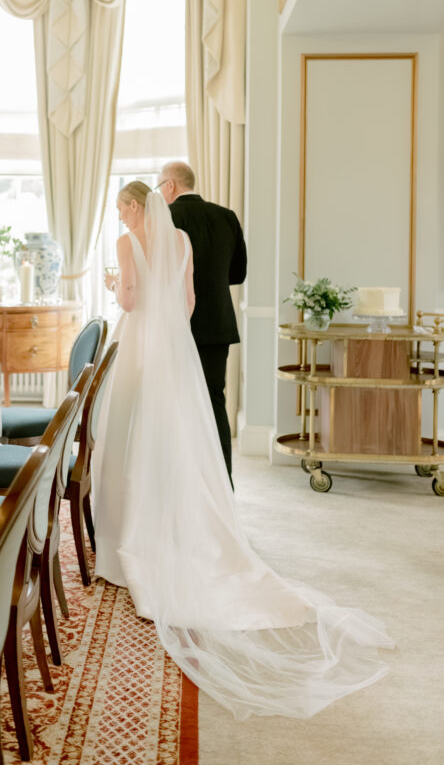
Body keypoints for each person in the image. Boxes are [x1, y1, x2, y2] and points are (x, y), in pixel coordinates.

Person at [93, 181, 392, 720]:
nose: (119, 215)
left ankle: (129, 537)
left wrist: (121, 287)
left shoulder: (125, 244)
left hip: (143, 345)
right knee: (189, 430)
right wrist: (167, 325)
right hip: (180, 345)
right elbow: (188, 303)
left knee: (131, 433)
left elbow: (129, 301)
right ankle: (194, 518)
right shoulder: (183, 239)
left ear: (138, 206)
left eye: (121, 207)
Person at [156, 161, 246, 483]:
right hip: (218, 324)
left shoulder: (166, 218)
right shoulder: (227, 216)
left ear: (169, 186)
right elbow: (238, 274)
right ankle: (223, 482)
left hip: (176, 324)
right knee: (213, 400)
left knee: (174, 402)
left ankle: (181, 482)